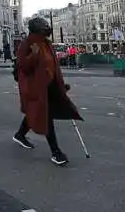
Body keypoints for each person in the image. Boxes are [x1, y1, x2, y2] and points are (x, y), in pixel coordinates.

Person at [13, 16, 83, 166]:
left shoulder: (47, 44)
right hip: (36, 87)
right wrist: (34, 54)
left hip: (50, 84)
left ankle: (20, 134)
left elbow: (54, 66)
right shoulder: (27, 44)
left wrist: (60, 84)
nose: (46, 28)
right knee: (45, 115)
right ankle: (56, 152)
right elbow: (22, 66)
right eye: (43, 26)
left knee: (38, 113)